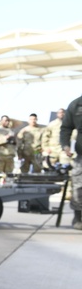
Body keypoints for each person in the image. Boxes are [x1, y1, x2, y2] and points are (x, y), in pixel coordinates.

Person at [60, 97, 82, 229]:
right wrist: (66, 145)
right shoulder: (76, 104)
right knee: (79, 186)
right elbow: (66, 128)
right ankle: (78, 217)